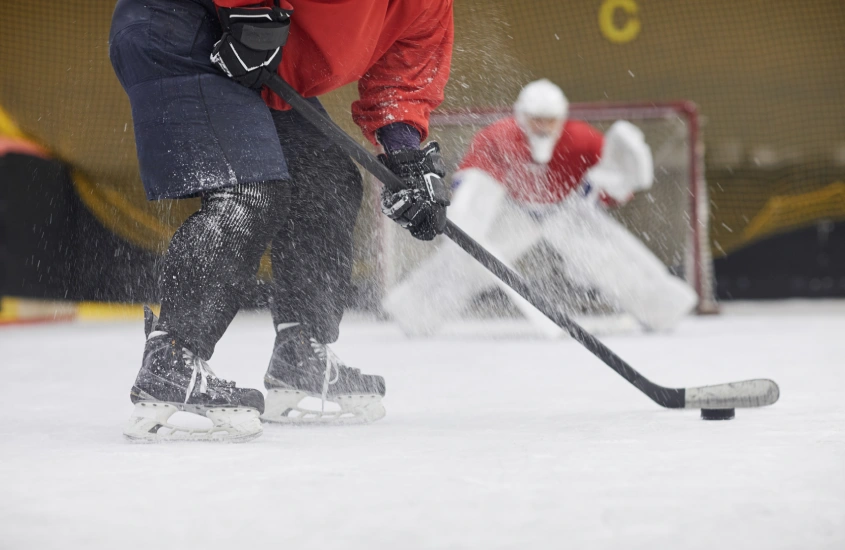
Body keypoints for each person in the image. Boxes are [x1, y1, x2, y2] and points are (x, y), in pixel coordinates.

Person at [110, 0, 453, 441]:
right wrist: (248, 7)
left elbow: (401, 77)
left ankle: (300, 353)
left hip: (259, 56)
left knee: (326, 178)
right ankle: (171, 359)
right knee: (249, 187)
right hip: (184, 23)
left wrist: (404, 156)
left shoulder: (430, 5)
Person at [383, 79, 697, 338]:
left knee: (614, 260)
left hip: (566, 212)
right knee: (465, 259)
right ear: (522, 116)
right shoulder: (498, 136)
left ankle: (661, 310)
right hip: (513, 213)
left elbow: (607, 190)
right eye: (537, 119)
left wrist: (621, 179)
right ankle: (414, 313)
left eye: (551, 119)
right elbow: (474, 179)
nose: (544, 127)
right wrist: (468, 217)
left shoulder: (583, 139)